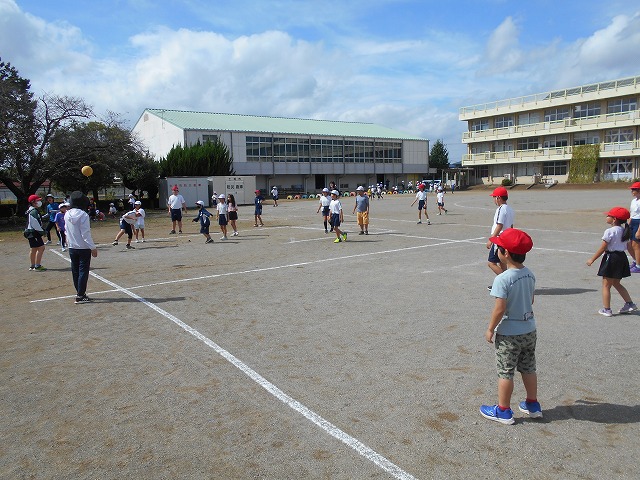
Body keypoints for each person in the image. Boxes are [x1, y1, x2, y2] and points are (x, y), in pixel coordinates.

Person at [480, 228, 540, 425]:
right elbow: (530, 299)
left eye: (499, 247)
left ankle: (503, 410)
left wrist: (490, 328)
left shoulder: (502, 279)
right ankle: (532, 404)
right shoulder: (529, 274)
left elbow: (500, 308)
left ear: (505, 253)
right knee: (528, 367)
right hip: (529, 329)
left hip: (509, 334)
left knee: (506, 371)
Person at [586, 207, 637, 316]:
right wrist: (635, 259)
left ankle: (607, 309)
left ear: (614, 219)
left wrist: (592, 259)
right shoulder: (625, 231)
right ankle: (629, 303)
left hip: (611, 258)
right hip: (621, 258)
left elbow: (603, 248)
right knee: (616, 283)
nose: (606, 217)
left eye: (608, 216)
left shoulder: (609, 231)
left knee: (606, 285)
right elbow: (629, 247)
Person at [64, 191, 98, 304]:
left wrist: (68, 242)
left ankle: (80, 293)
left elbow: (66, 231)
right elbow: (85, 233)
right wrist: (92, 247)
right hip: (83, 248)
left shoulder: (67, 214)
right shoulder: (83, 215)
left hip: (72, 247)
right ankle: (80, 295)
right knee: (83, 270)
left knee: (75, 270)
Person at [486, 186, 515, 277]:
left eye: (494, 197)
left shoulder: (501, 209)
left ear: (498, 198)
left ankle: (505, 281)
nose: (494, 199)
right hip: (506, 238)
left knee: (491, 263)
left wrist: (491, 239)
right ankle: (506, 283)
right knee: (502, 262)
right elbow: (511, 226)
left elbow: (499, 225)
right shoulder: (510, 209)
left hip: (500, 239)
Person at [25, 194, 47, 271]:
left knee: (33, 249)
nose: (39, 202)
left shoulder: (30, 210)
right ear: (33, 202)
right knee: (41, 247)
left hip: (30, 232)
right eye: (38, 200)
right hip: (34, 232)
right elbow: (35, 224)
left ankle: (32, 265)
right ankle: (37, 266)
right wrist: (42, 232)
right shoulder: (33, 211)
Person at [627, 182, 640, 273]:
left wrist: (639, 230)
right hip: (633, 222)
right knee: (629, 245)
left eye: (634, 189)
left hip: (638, 223)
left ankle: (638, 266)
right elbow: (632, 214)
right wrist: (628, 225)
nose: (632, 191)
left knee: (636, 245)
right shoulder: (633, 201)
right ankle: (635, 261)